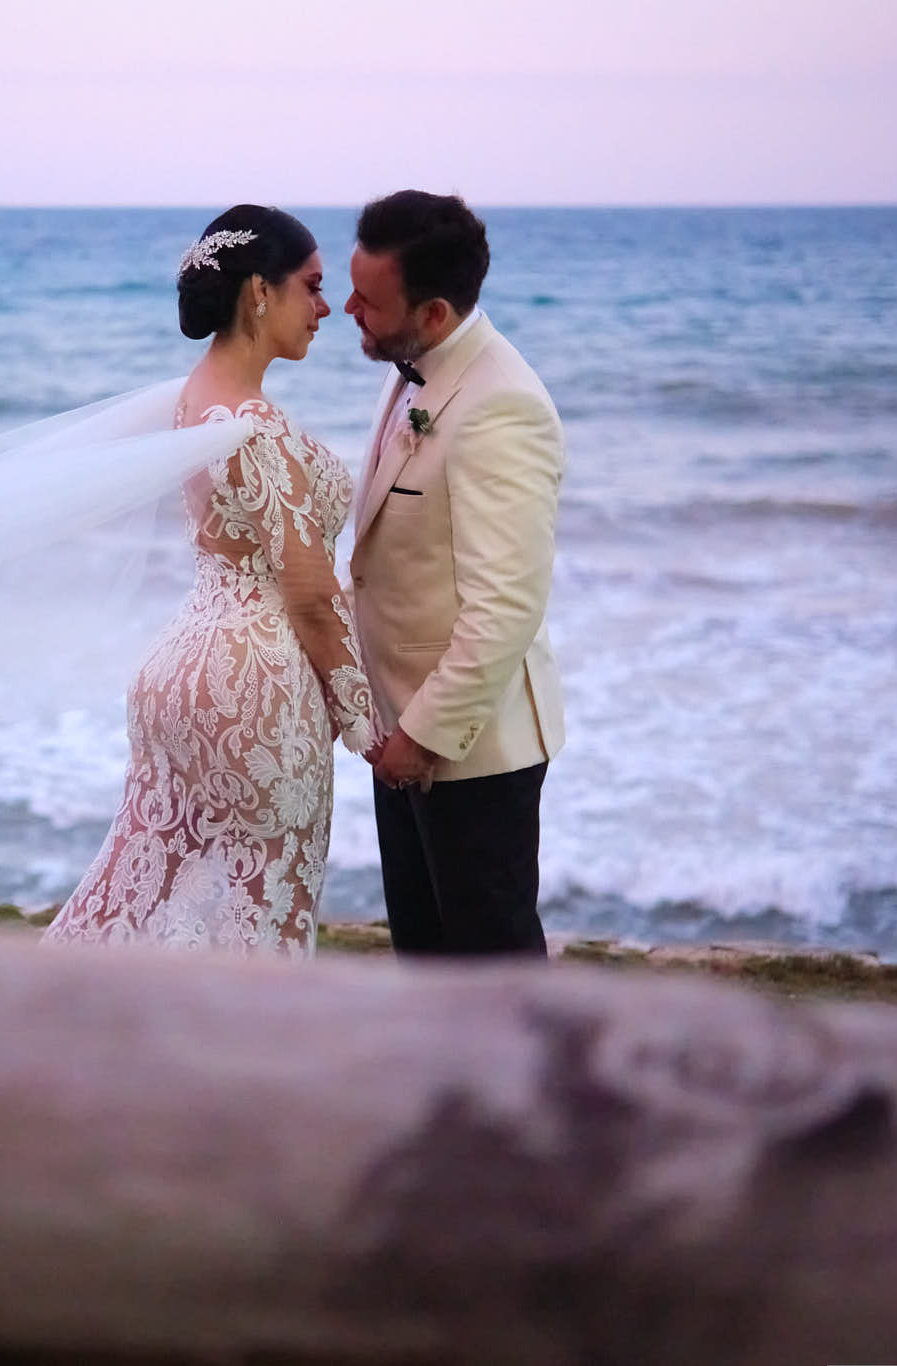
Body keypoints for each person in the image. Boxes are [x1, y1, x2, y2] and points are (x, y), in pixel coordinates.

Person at [42, 206, 382, 958]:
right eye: (312, 286)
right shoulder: (254, 424)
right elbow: (307, 593)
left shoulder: (192, 397)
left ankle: (51, 1008)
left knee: (141, 890)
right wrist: (365, 724)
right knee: (265, 912)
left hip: (180, 669)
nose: (326, 307)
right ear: (260, 291)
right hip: (257, 685)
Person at [343, 190, 567, 957]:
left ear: (433, 313)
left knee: (491, 970)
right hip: (402, 730)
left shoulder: (502, 408)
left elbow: (506, 606)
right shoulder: (413, 367)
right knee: (426, 958)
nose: (348, 309)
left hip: (469, 747)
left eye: (369, 301)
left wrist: (423, 735)